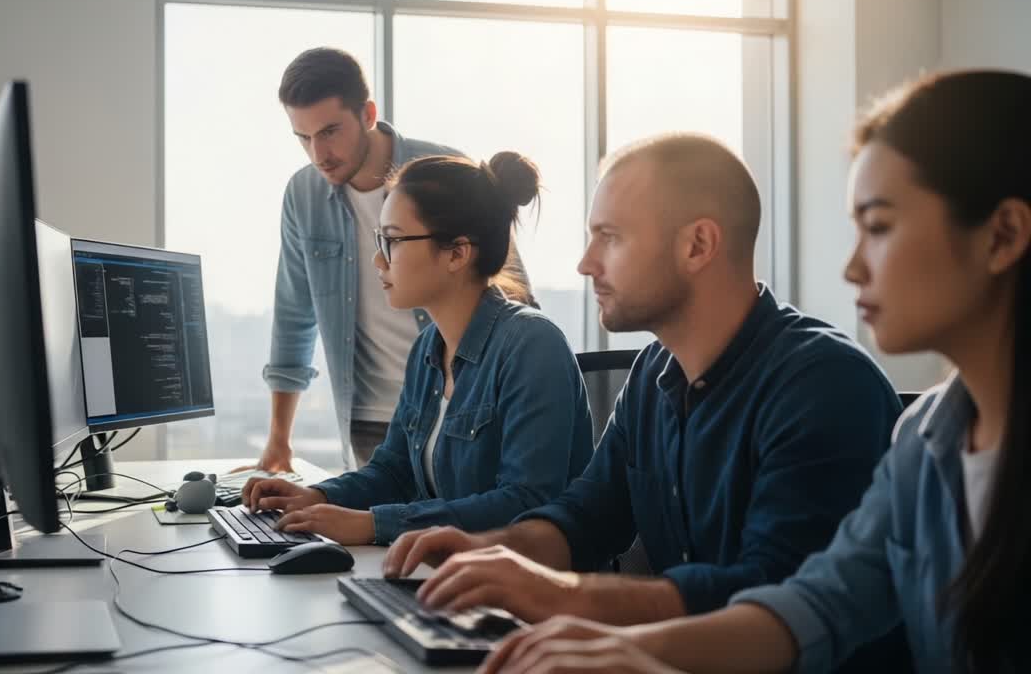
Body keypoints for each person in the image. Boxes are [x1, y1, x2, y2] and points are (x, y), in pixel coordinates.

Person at [481, 70, 1031, 673]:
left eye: (877, 228)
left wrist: (579, 606)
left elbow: (777, 584)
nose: (850, 269)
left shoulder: (827, 385)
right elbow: (812, 605)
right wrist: (622, 651)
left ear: (1002, 235)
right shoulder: (927, 437)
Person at [382, 134, 907, 668]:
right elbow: (587, 516)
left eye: (609, 238)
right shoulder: (653, 372)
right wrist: (493, 555)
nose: (586, 264)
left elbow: (771, 593)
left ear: (698, 246)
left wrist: (564, 598)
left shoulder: (823, 385)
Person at [240, 152, 593, 546]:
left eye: (392, 240)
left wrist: (373, 524)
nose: (378, 259)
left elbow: (525, 503)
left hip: (523, 593)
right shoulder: (429, 346)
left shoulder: (531, 346)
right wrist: (319, 496)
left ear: (457, 253)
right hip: (442, 574)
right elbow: (394, 471)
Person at [252, 47, 531, 472]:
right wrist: (278, 442)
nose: (318, 153)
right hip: (369, 421)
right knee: (370, 533)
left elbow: (511, 291)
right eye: (303, 138)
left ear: (367, 113)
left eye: (330, 131)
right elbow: (294, 316)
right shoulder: (303, 195)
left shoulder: (439, 172)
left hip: (462, 410)